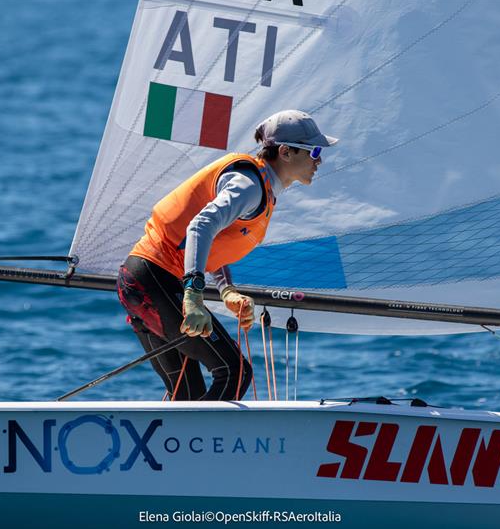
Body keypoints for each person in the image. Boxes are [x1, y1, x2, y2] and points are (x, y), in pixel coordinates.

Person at [117, 110, 338, 401]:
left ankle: (177, 444)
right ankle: (196, 442)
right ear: (285, 152)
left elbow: (213, 240)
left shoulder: (262, 188)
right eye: (315, 151)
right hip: (154, 280)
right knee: (235, 371)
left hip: (141, 281)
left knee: (187, 395)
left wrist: (226, 290)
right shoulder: (249, 185)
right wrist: (194, 295)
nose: (319, 160)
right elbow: (201, 225)